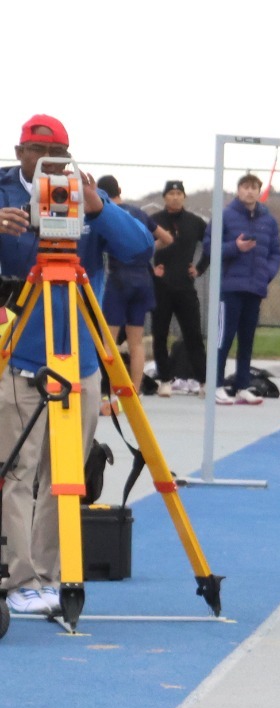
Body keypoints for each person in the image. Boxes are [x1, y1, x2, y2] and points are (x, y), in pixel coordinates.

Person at [0, 114, 152, 619]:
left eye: (55, 152)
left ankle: (46, 574)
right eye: (33, 150)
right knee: (19, 472)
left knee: (62, 473)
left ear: (69, 153)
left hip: (81, 358)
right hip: (22, 355)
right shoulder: (0, 192)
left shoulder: (83, 191)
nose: (43, 161)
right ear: (18, 150)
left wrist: (99, 208)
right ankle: (20, 577)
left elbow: (138, 247)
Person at [214, 172, 280, 405]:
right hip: (230, 287)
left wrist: (266, 274)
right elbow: (209, 247)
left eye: (254, 187)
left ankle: (243, 385)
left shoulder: (268, 221)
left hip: (255, 288)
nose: (250, 191)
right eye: (245, 187)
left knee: (247, 339)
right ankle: (216, 384)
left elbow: (275, 252)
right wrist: (235, 247)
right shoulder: (225, 216)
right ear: (238, 190)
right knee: (223, 338)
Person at [91, 176, 159, 400]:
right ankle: (134, 392)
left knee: (109, 342)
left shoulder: (107, 213)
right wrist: (146, 254)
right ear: (120, 189)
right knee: (136, 343)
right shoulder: (137, 213)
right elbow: (166, 237)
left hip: (119, 279)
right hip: (142, 278)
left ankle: (109, 395)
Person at [149, 179, 208, 396]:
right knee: (160, 335)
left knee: (193, 335)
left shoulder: (195, 222)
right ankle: (165, 380)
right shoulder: (154, 221)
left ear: (184, 197)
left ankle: (203, 381)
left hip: (185, 288)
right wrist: (150, 271)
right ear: (164, 197)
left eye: (178, 193)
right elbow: (138, 246)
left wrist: (200, 268)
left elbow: (211, 245)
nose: (175, 197)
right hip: (160, 288)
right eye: (171, 193)